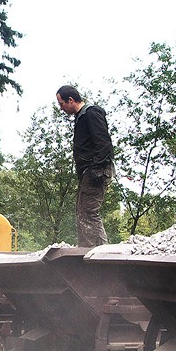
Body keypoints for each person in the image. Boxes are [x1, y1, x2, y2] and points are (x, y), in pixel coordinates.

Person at [56, 85, 114, 247]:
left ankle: (98, 253)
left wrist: (96, 170)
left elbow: (104, 144)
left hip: (95, 171)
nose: (61, 108)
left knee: (88, 212)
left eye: (61, 104)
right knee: (82, 212)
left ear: (71, 100)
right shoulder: (82, 116)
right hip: (89, 171)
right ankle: (88, 250)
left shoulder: (91, 113)